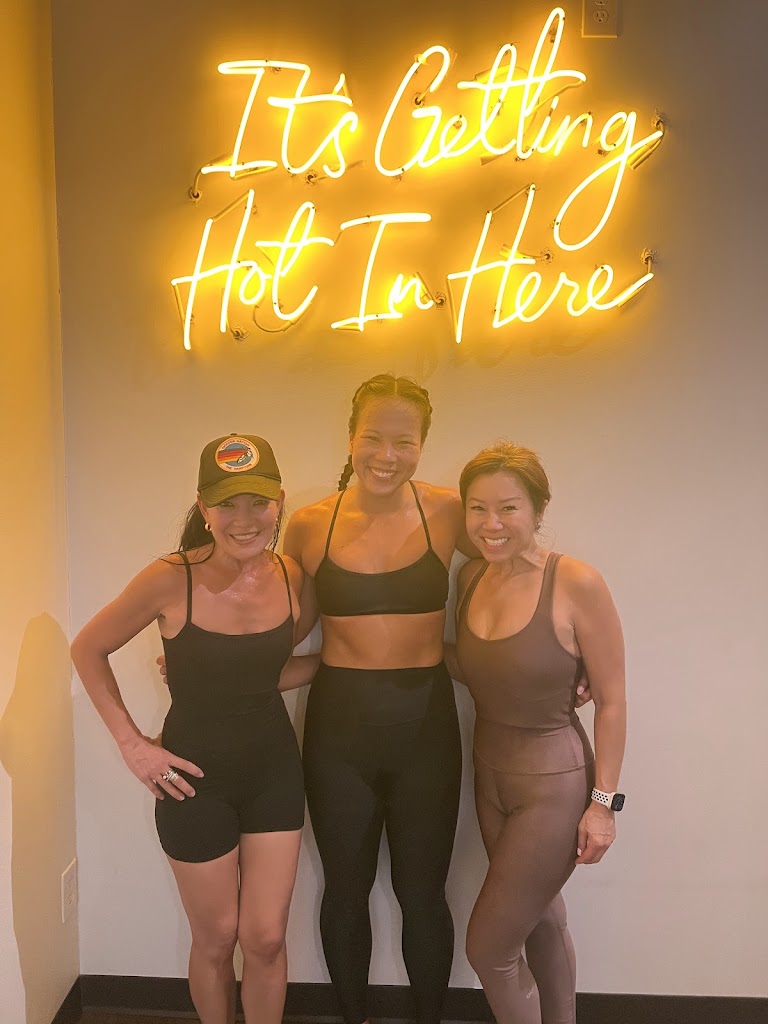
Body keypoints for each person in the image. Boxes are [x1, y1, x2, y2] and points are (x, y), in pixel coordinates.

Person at [71, 434, 318, 1024]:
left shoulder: (291, 575)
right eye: (227, 503)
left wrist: (354, 662)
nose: (243, 519)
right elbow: (87, 648)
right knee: (217, 937)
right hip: (193, 782)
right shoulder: (169, 578)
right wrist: (134, 746)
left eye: (258, 502)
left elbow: (269, 671)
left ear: (279, 502)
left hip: (275, 773)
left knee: (265, 938)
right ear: (204, 507)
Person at [283, 374, 470, 1024]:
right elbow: (289, 626)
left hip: (426, 730)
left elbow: (507, 572)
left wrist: (561, 656)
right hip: (339, 734)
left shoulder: (449, 511)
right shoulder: (310, 524)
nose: (387, 455)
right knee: (345, 890)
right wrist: (207, 658)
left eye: (404, 442)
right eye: (373, 438)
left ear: (422, 445)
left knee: (424, 894)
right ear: (351, 438)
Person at [450, 442, 626, 1024]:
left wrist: (604, 805)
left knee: (489, 950)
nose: (491, 524)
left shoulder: (575, 581)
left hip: (553, 784)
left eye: (508, 508)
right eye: (478, 508)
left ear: (538, 509)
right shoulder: (470, 576)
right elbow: (479, 665)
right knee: (542, 921)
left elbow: (613, 701)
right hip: (489, 774)